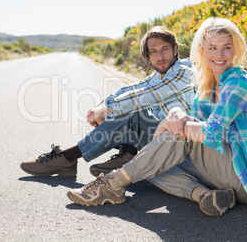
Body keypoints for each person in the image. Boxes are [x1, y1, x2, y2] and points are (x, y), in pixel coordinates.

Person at [66, 17, 247, 217]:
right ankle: (203, 195)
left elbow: (212, 134)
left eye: (226, 48)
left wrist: (174, 122)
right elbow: (185, 114)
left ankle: (112, 183)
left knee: (177, 136)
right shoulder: (207, 84)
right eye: (212, 48)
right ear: (202, 50)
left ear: (235, 50)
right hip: (226, 173)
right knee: (151, 163)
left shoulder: (237, 83)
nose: (219, 55)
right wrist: (173, 116)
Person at [20, 26, 195, 178]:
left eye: (165, 49)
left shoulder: (183, 72)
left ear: (175, 49)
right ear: (147, 56)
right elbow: (128, 90)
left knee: (132, 108)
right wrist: (101, 107)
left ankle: (66, 158)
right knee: (125, 108)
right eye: (153, 52)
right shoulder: (158, 75)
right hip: (161, 138)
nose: (160, 56)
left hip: (182, 147)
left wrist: (105, 110)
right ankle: (127, 155)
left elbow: (142, 97)